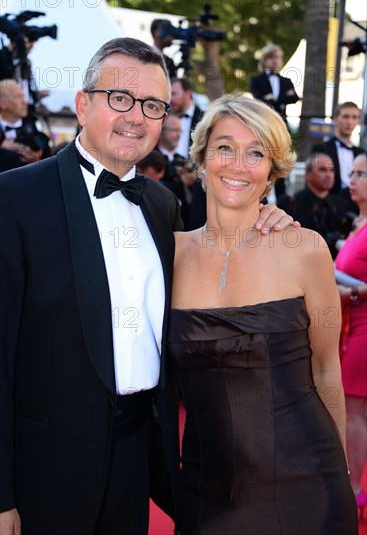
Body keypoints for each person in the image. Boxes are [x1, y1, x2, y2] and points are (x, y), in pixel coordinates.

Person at [0, 38, 296, 535]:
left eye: (152, 105)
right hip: (44, 468)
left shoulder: (163, 207)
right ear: (83, 103)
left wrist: (268, 215)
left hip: (138, 455)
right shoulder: (15, 197)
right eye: (120, 97)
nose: (135, 117)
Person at [169, 93, 358, 534]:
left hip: (308, 487)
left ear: (272, 171)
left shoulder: (305, 249)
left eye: (256, 153)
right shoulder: (168, 254)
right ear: (201, 158)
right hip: (203, 493)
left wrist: (343, 475)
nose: (238, 164)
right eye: (225, 148)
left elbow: (328, 370)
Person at [335, 153, 367, 520]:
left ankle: (355, 489)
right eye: (353, 172)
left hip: (363, 327)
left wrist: (353, 293)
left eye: (361, 174)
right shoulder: (358, 222)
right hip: (350, 325)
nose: (353, 179)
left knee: (354, 409)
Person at [277, 153, 352, 258]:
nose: (328, 175)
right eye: (322, 170)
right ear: (308, 174)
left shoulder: (342, 205)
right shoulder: (290, 203)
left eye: (332, 170)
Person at [311, 101, 364, 208]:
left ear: (359, 121)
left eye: (354, 117)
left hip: (356, 208)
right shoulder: (321, 149)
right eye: (345, 116)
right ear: (335, 119)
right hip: (328, 207)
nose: (349, 122)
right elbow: (314, 180)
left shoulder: (362, 154)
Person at [0, 78, 50, 162]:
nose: (24, 102)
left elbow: (48, 157)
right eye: (17, 97)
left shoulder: (34, 127)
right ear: (3, 103)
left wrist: (38, 156)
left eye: (23, 96)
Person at [250, 44, 299, 124]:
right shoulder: (256, 79)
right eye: (271, 57)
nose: (275, 60)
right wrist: (284, 97)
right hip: (263, 121)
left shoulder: (286, 81)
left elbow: (294, 98)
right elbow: (258, 99)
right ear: (264, 60)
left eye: (277, 57)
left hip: (282, 122)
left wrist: (273, 97)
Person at [169, 77, 204, 158]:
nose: (170, 98)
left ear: (188, 93)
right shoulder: (164, 116)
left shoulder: (204, 119)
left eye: (174, 94)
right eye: (169, 94)